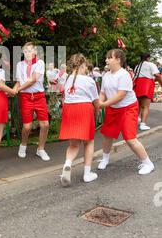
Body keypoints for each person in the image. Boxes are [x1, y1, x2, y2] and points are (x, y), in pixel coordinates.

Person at [98, 49, 155, 175]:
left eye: (109, 57)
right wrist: (99, 103)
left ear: (118, 60)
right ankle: (105, 158)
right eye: (107, 57)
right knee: (107, 135)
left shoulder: (124, 75)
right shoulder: (106, 75)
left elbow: (120, 95)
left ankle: (148, 163)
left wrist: (102, 104)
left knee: (130, 139)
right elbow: (102, 92)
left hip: (128, 108)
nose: (106, 60)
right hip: (113, 109)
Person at [59, 54, 99, 186]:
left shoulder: (67, 79)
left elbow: (65, 97)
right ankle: (87, 174)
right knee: (88, 142)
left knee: (74, 143)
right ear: (83, 65)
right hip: (84, 109)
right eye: (86, 66)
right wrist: (97, 112)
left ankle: (67, 163)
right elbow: (95, 101)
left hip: (70, 110)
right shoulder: (89, 80)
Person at [14, 42, 50, 161]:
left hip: (39, 96)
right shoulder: (19, 65)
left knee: (45, 124)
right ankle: (23, 145)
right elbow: (19, 81)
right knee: (27, 127)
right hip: (26, 97)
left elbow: (33, 80)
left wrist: (18, 89)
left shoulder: (39, 63)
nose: (27, 53)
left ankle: (41, 149)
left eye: (30, 51)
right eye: (25, 51)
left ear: (35, 52)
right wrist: (12, 90)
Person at [133, 53, 162, 130]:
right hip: (146, 85)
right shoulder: (150, 64)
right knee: (145, 106)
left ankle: (134, 121)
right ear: (148, 58)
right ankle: (143, 124)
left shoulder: (137, 66)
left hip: (137, 85)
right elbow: (157, 75)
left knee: (138, 105)